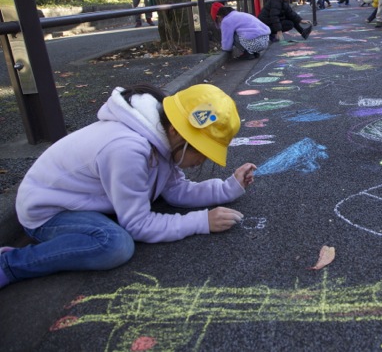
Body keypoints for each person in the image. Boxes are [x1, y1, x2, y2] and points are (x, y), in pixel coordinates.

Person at [0, 84, 256, 289]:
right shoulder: (128, 149)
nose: (203, 160)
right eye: (202, 151)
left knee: (125, 230)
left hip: (78, 202)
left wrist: (228, 187)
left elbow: (177, 191)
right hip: (48, 212)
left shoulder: (163, 135)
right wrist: (201, 222)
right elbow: (137, 225)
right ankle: (10, 263)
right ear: (178, 133)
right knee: (115, 245)